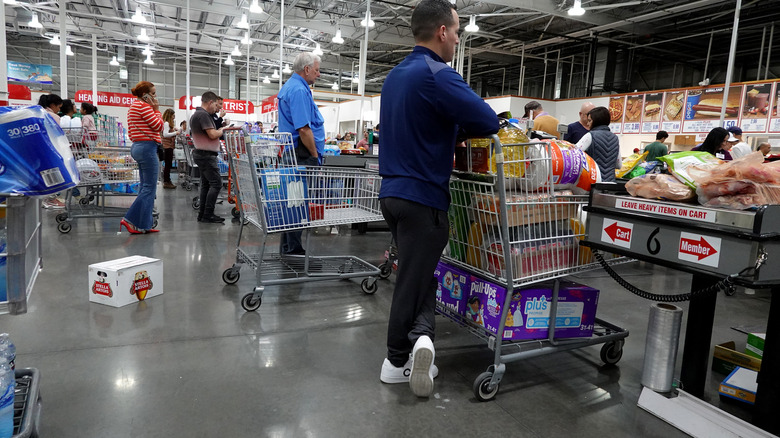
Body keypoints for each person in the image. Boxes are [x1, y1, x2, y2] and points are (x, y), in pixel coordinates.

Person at [378, 0, 498, 398]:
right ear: (442, 32)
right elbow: (486, 119)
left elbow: (419, 125)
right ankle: (395, 361)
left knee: (421, 273)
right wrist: (458, 128)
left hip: (392, 193)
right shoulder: (438, 74)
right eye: (458, 32)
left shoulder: (396, 75)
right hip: (423, 198)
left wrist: (447, 130)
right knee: (412, 281)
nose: (458, 40)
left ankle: (421, 339)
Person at [277, 51, 325, 254]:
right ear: (306, 69)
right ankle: (293, 250)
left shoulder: (292, 87)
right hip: (300, 153)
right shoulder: (298, 90)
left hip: (293, 152)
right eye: (316, 70)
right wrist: (315, 155)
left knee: (292, 201)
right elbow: (304, 129)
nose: (319, 74)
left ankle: (288, 247)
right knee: (297, 202)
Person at [121, 81, 163, 234]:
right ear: (145, 95)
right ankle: (129, 219)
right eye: (153, 93)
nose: (155, 96)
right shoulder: (144, 107)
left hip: (139, 146)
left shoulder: (134, 106)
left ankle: (144, 224)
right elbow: (158, 126)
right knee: (149, 187)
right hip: (147, 147)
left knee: (145, 186)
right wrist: (157, 110)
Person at [190, 91, 226, 223]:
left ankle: (203, 214)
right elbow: (212, 134)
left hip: (201, 154)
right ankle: (208, 213)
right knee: (216, 184)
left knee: (206, 184)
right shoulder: (203, 115)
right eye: (216, 104)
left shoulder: (197, 115)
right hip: (206, 155)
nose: (218, 108)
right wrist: (223, 130)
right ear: (210, 102)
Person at [576, 106, 621, 182]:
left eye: (589, 121)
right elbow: (619, 165)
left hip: (593, 182)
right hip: (611, 183)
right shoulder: (615, 138)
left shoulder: (590, 135)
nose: (587, 123)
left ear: (596, 121)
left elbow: (574, 155)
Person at [161, 109, 180, 189]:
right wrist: (175, 133)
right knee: (168, 165)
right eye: (173, 115)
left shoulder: (168, 124)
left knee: (168, 164)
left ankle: (167, 180)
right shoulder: (166, 123)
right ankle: (166, 181)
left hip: (169, 146)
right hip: (167, 146)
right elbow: (165, 134)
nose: (174, 116)